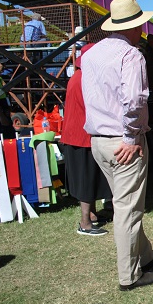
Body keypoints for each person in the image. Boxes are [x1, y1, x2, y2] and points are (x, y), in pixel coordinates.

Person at [81, 0, 153, 291]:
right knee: (128, 210)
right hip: (124, 140)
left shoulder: (90, 55)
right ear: (136, 25)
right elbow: (135, 100)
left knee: (124, 204)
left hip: (99, 141)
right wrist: (130, 137)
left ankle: (146, 255)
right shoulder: (132, 56)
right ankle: (130, 276)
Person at [60, 43, 112, 237]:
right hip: (81, 137)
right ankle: (85, 223)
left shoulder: (78, 77)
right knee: (85, 180)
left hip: (78, 135)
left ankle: (91, 215)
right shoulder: (84, 79)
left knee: (88, 177)